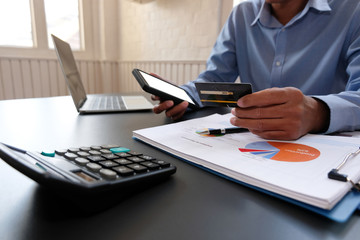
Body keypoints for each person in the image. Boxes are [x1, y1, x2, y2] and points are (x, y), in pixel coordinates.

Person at [152, 0, 360, 140]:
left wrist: (316, 113)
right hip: (254, 144)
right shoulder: (242, 14)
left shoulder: (353, 10)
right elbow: (215, 78)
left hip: (326, 150)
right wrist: (185, 95)